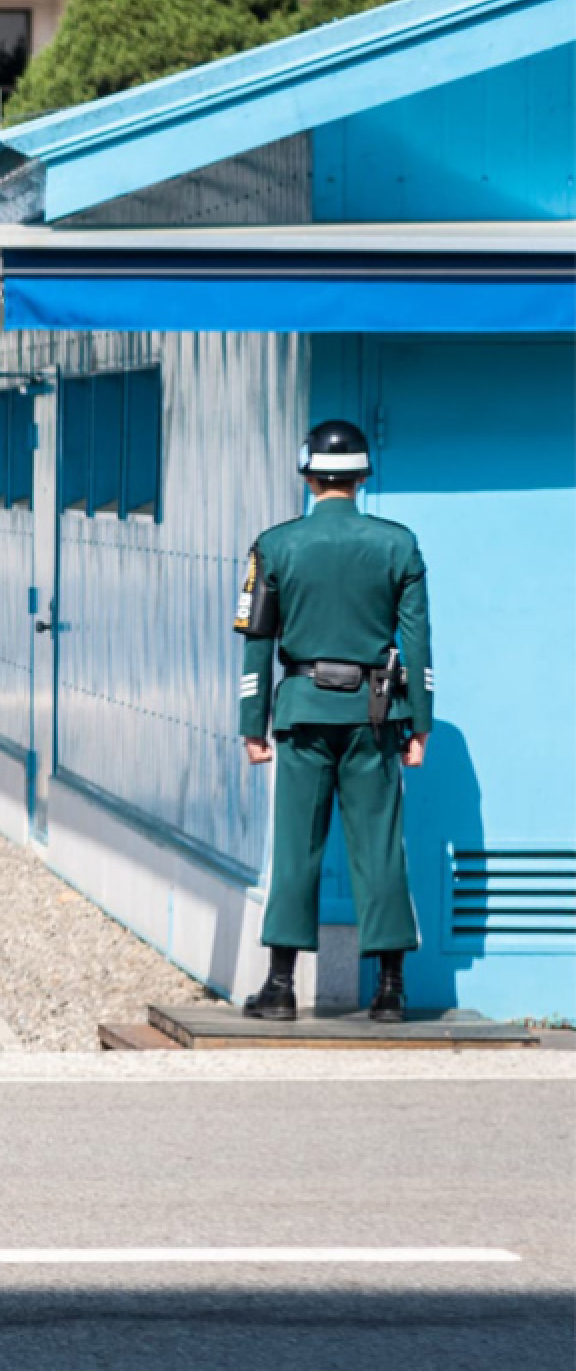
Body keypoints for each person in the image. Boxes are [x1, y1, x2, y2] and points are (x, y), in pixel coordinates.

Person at [234, 418, 432, 1024]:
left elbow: (256, 642)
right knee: (380, 848)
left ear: (308, 473)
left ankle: (280, 987)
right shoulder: (399, 544)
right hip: (377, 716)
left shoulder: (275, 545)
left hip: (301, 716)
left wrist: (252, 721)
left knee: (297, 848)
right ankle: (391, 991)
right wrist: (421, 722)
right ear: (362, 475)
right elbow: (419, 643)